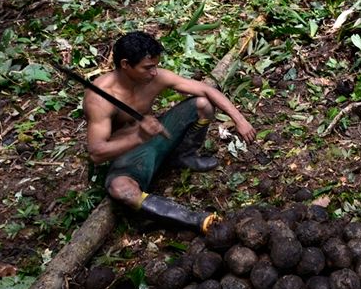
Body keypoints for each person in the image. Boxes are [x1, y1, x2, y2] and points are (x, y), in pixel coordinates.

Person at [85, 31, 256, 232]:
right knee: (120, 189)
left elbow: (206, 90)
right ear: (125, 64)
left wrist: (239, 119)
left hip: (158, 137)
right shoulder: (100, 97)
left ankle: (183, 156)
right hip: (130, 156)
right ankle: (195, 220)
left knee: (203, 104)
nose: (154, 72)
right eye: (147, 67)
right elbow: (96, 153)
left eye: (155, 66)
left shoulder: (154, 77)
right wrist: (139, 137)